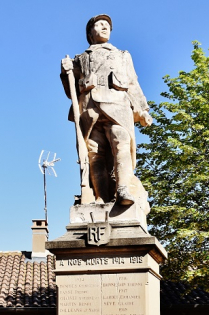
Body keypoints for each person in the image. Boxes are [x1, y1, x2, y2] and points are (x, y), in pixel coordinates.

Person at [61, 14, 152, 206]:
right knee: (94, 153)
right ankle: (100, 196)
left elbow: (133, 83)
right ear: (90, 32)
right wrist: (66, 72)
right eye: (99, 24)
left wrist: (142, 109)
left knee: (121, 143)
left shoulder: (122, 55)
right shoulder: (81, 59)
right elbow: (71, 92)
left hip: (117, 106)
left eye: (107, 25)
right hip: (89, 109)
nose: (104, 27)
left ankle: (123, 189)